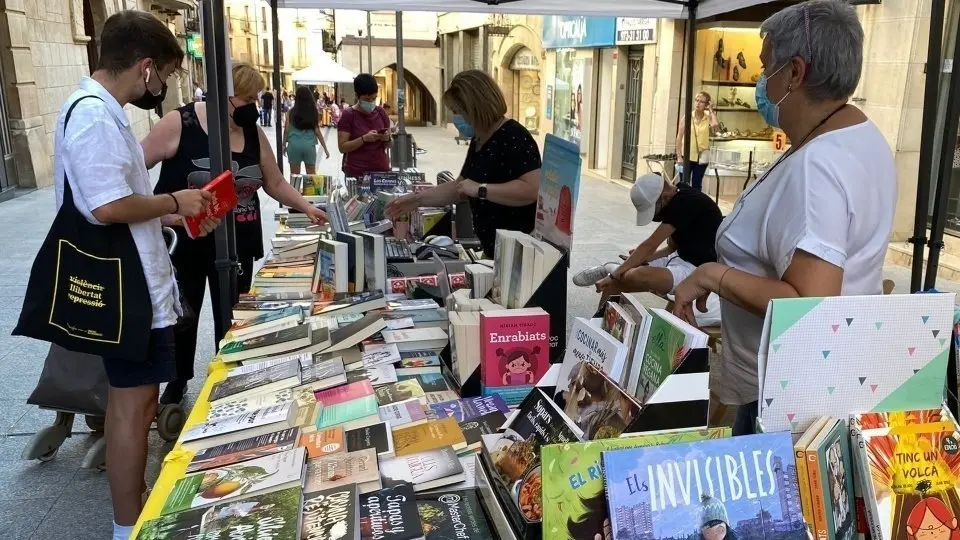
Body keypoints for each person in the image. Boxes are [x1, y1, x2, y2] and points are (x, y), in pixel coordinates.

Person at [671, 0, 896, 435]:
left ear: (794, 73)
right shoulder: (859, 137)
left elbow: (809, 303)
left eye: (765, 69)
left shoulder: (819, 167)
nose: (761, 84)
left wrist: (711, 276)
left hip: (785, 401)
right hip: (824, 385)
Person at [51, 11, 219, 540]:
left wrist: (171, 215)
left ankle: (135, 505)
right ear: (145, 67)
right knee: (132, 403)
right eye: (164, 74)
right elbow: (105, 206)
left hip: (136, 280)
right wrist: (174, 198)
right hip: (125, 289)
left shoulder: (103, 112)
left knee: (141, 399)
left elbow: (110, 201)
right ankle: (128, 524)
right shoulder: (95, 116)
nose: (164, 86)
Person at [142, 62, 327, 405]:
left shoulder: (253, 134)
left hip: (239, 240)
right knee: (184, 313)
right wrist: (164, 213)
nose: (252, 106)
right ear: (223, 96)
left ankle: (226, 378)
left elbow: (274, 182)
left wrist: (307, 207)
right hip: (189, 242)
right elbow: (133, 168)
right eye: (245, 98)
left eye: (255, 98)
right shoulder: (180, 123)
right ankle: (177, 380)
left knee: (233, 315)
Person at [385, 70, 540, 257]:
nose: (455, 118)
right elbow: (460, 187)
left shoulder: (514, 136)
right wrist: (417, 200)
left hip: (518, 253)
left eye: (458, 112)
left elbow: (532, 190)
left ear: (476, 108)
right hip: (494, 249)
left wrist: (481, 189)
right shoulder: (480, 139)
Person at [573, 173, 723, 326]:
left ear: (663, 197)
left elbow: (650, 244)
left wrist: (616, 273)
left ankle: (610, 269)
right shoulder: (677, 194)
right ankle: (598, 329)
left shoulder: (686, 202)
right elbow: (671, 248)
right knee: (614, 285)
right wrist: (642, 260)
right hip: (679, 257)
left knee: (639, 275)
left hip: (699, 269)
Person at [338, 73, 391, 178]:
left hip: (381, 172)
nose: (371, 102)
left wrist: (387, 139)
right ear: (357, 96)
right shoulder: (349, 115)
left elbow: (390, 144)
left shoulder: (381, 112)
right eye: (367, 99)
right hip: (357, 173)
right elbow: (342, 147)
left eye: (374, 98)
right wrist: (364, 139)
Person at [676, 91, 720, 191]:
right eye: (696, 100)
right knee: (684, 184)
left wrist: (711, 110)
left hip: (702, 157)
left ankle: (695, 205)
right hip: (687, 156)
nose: (698, 103)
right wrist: (679, 156)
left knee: (697, 184)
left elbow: (715, 126)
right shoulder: (687, 117)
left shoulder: (708, 117)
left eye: (701, 102)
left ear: (706, 104)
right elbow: (679, 137)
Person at [284, 86, 331, 174]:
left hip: (294, 146)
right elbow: (318, 132)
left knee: (294, 176)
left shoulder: (291, 112)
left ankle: (294, 188)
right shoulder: (313, 112)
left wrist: (283, 145)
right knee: (311, 176)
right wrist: (325, 148)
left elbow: (286, 130)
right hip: (309, 146)